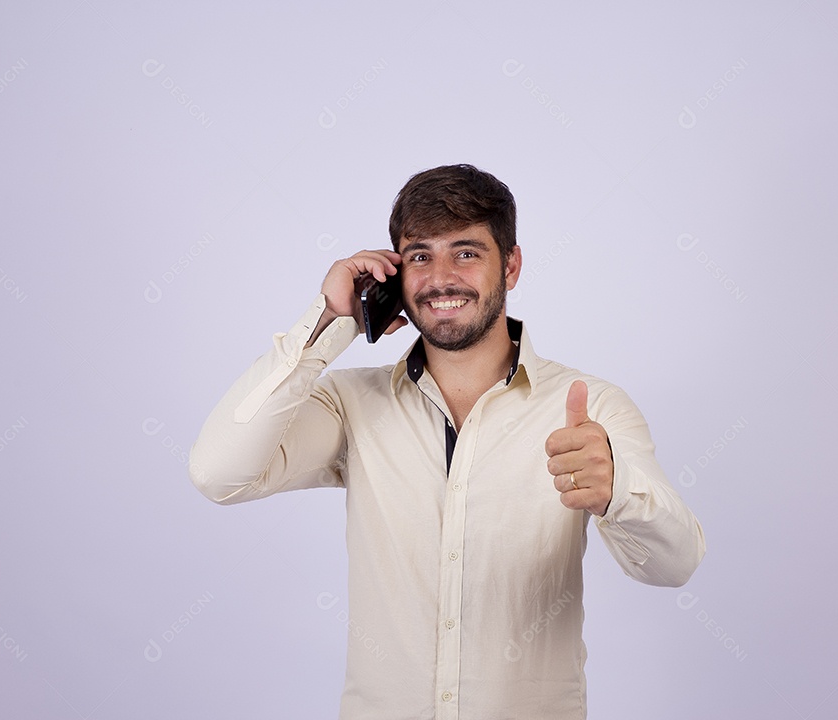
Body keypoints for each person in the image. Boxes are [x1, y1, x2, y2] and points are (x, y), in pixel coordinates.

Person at [189, 164, 706, 719]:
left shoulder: (592, 407)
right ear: (393, 274)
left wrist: (617, 491)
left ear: (510, 264)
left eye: (465, 252)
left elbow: (673, 565)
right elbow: (219, 474)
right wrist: (328, 322)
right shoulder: (350, 405)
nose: (440, 278)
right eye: (419, 256)